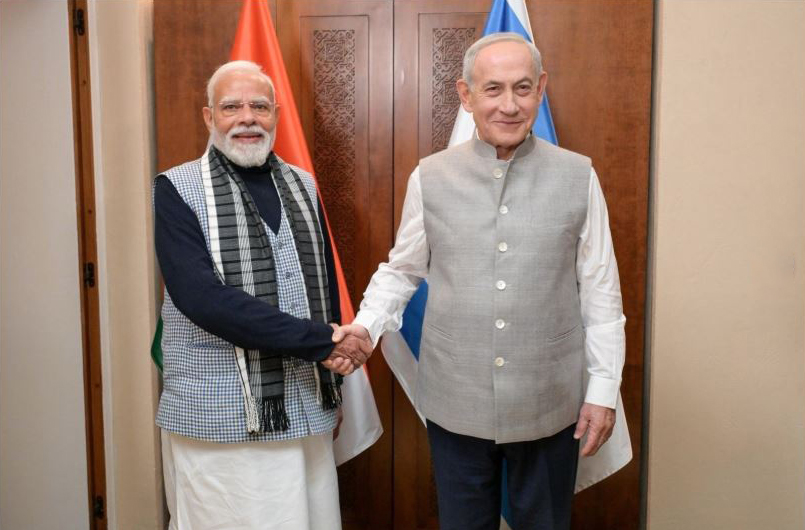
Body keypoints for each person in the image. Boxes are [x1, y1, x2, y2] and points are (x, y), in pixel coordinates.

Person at [346, 33, 626, 530]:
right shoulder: (430, 176)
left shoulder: (578, 176)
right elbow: (402, 269)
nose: (509, 105)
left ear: (541, 89)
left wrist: (603, 390)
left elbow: (601, 291)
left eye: (522, 88)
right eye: (493, 89)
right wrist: (366, 327)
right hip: (456, 399)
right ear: (466, 95)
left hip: (550, 399)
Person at [153, 60, 370, 530]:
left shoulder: (302, 183)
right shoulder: (177, 188)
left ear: (276, 114)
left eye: (259, 106)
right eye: (231, 107)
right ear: (209, 117)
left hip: (304, 404)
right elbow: (202, 299)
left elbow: (321, 284)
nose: (247, 118)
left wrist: (334, 367)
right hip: (219, 416)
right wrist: (323, 342)